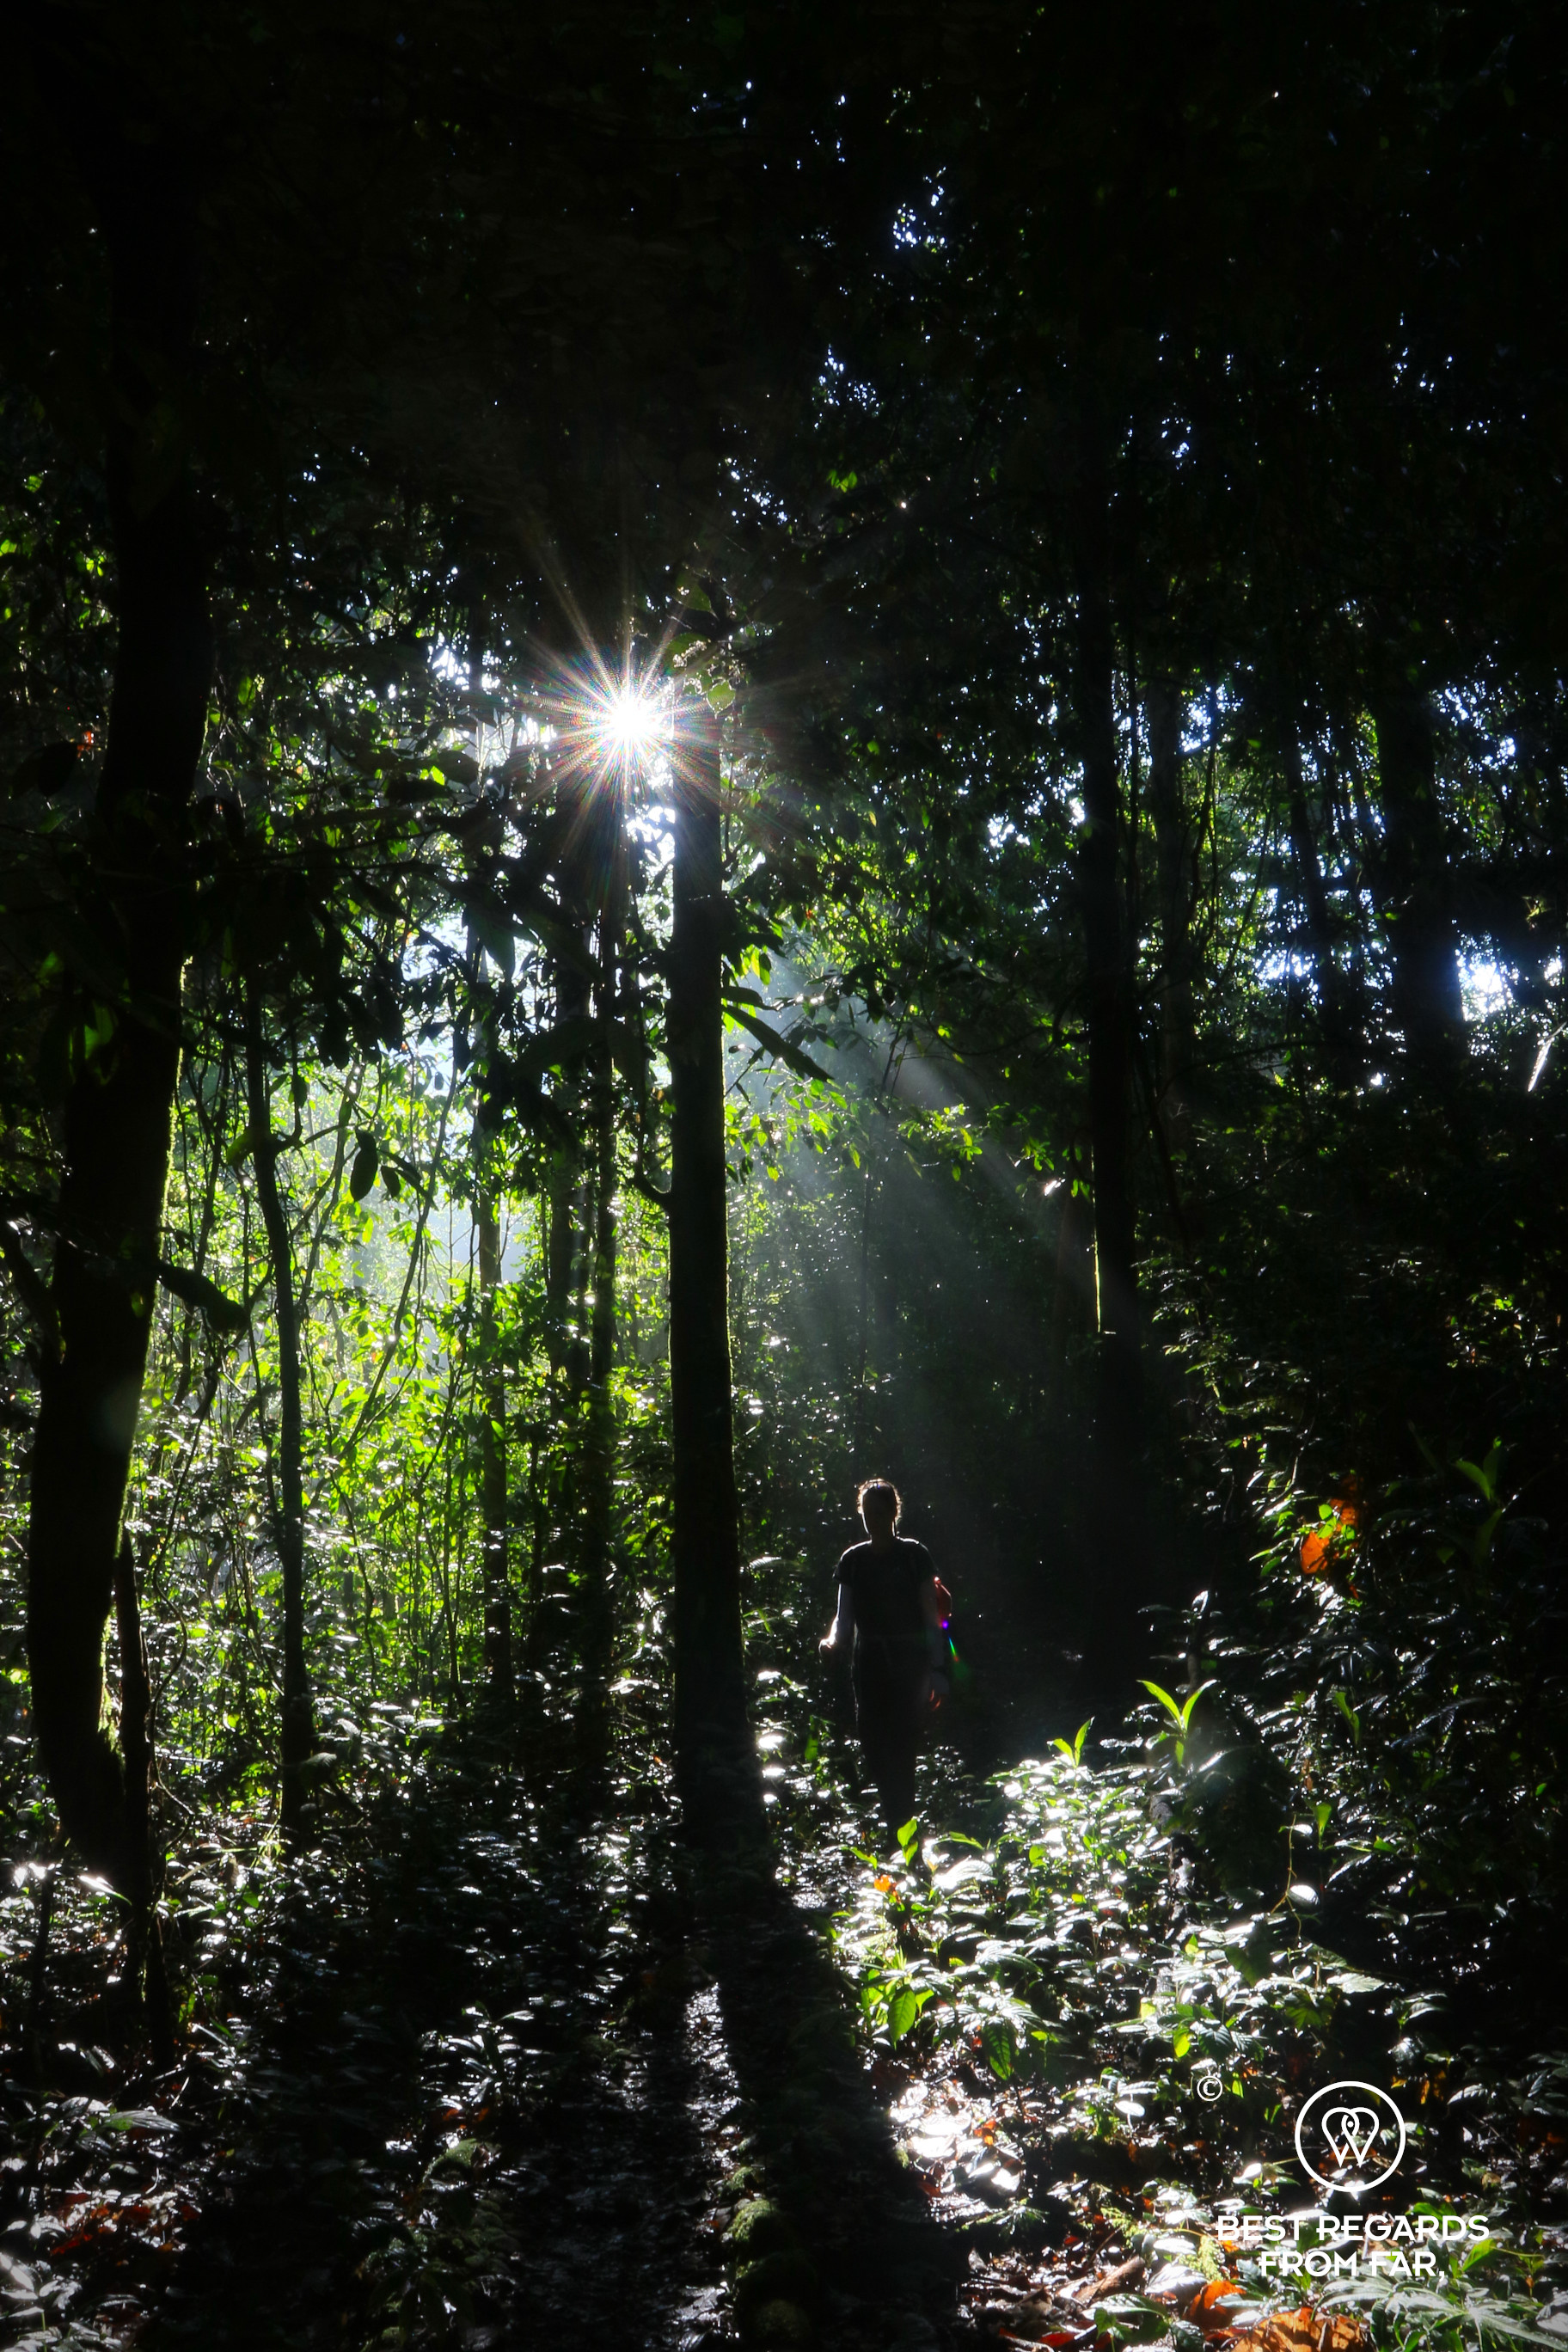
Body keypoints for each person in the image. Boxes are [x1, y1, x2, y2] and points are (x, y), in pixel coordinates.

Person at [819, 1478, 948, 1849]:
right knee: (873, 1743)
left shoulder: (914, 1556)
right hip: (869, 1662)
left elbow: (931, 1616)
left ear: (894, 1513)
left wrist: (938, 1670)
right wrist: (832, 1643)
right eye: (867, 1513)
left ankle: (901, 1828)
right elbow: (844, 1619)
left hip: (910, 1664)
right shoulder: (853, 1561)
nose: (873, 1520)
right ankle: (898, 1820)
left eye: (881, 1512)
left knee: (903, 1744)